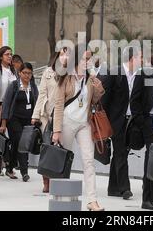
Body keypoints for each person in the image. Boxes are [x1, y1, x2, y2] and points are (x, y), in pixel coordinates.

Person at [52, 46, 105, 211]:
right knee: (64, 160)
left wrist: (98, 87)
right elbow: (59, 104)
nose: (88, 62)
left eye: (89, 59)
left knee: (89, 161)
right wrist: (56, 130)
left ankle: (92, 200)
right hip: (67, 122)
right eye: (85, 59)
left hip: (84, 123)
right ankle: (61, 195)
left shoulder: (90, 78)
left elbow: (95, 101)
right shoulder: (65, 77)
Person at [101, 45, 143, 200]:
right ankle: (125, 188)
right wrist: (105, 122)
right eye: (140, 57)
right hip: (115, 121)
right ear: (132, 58)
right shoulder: (115, 73)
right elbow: (104, 99)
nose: (142, 60)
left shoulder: (139, 76)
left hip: (130, 122)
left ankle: (113, 187)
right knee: (120, 152)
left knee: (122, 153)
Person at [130, 54, 153, 210]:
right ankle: (148, 199)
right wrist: (141, 121)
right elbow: (134, 100)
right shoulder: (145, 73)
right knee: (152, 158)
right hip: (149, 121)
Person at [31, 48, 68, 192]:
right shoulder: (48, 72)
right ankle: (46, 181)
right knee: (47, 149)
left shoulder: (71, 73)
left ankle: (58, 179)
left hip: (65, 117)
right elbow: (42, 94)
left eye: (68, 54)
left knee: (61, 150)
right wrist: (35, 115)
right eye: (62, 54)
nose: (65, 57)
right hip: (47, 117)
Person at [1, 62, 39, 181]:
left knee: (22, 144)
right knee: (19, 141)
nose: (27, 76)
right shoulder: (14, 85)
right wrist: (3, 122)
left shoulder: (33, 86)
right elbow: (6, 104)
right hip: (14, 119)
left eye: (29, 73)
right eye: (25, 73)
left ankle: (11, 167)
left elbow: (37, 102)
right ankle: (24, 171)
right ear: (19, 73)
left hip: (28, 120)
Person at [0, 46, 17, 116]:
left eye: (11, 54)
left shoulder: (14, 70)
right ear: (1, 57)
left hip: (12, 105)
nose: (10, 56)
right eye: (7, 54)